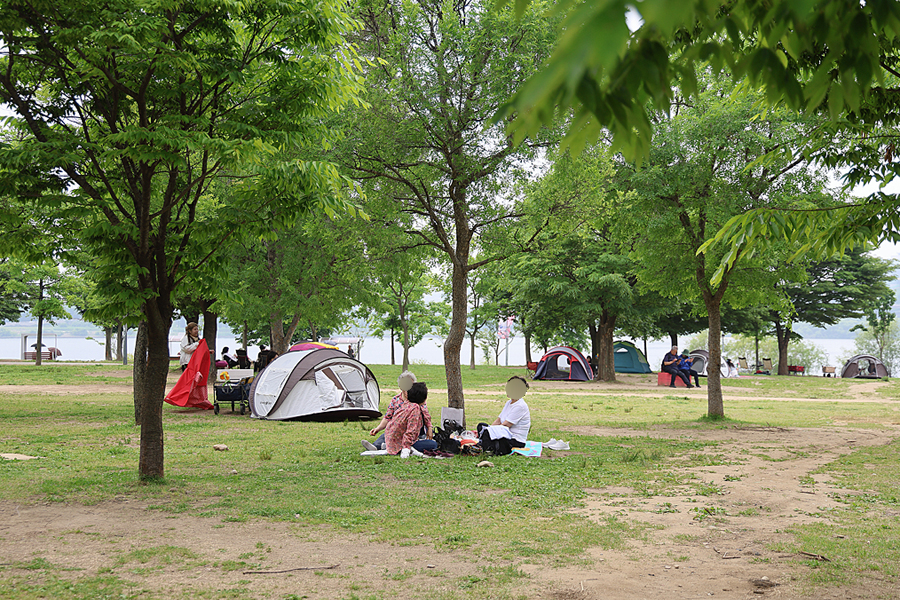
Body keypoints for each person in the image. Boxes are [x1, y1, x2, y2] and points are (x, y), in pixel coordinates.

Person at [363, 370, 417, 451]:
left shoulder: (417, 398)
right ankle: (376, 446)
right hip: (396, 429)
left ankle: (389, 446)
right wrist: (378, 428)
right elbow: (387, 417)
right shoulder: (395, 400)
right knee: (387, 434)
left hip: (411, 429)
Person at [477, 375, 532, 455]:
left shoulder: (520, 406)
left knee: (487, 435)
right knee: (481, 426)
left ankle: (485, 446)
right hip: (505, 434)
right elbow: (498, 420)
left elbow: (506, 425)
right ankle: (484, 444)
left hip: (515, 440)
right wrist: (489, 429)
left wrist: (490, 432)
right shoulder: (509, 403)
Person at [384, 382, 436, 457]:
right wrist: (406, 448)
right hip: (401, 442)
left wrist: (429, 427)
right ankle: (398, 449)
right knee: (433, 444)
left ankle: (390, 447)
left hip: (391, 439)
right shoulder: (415, 409)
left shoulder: (406, 404)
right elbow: (410, 430)